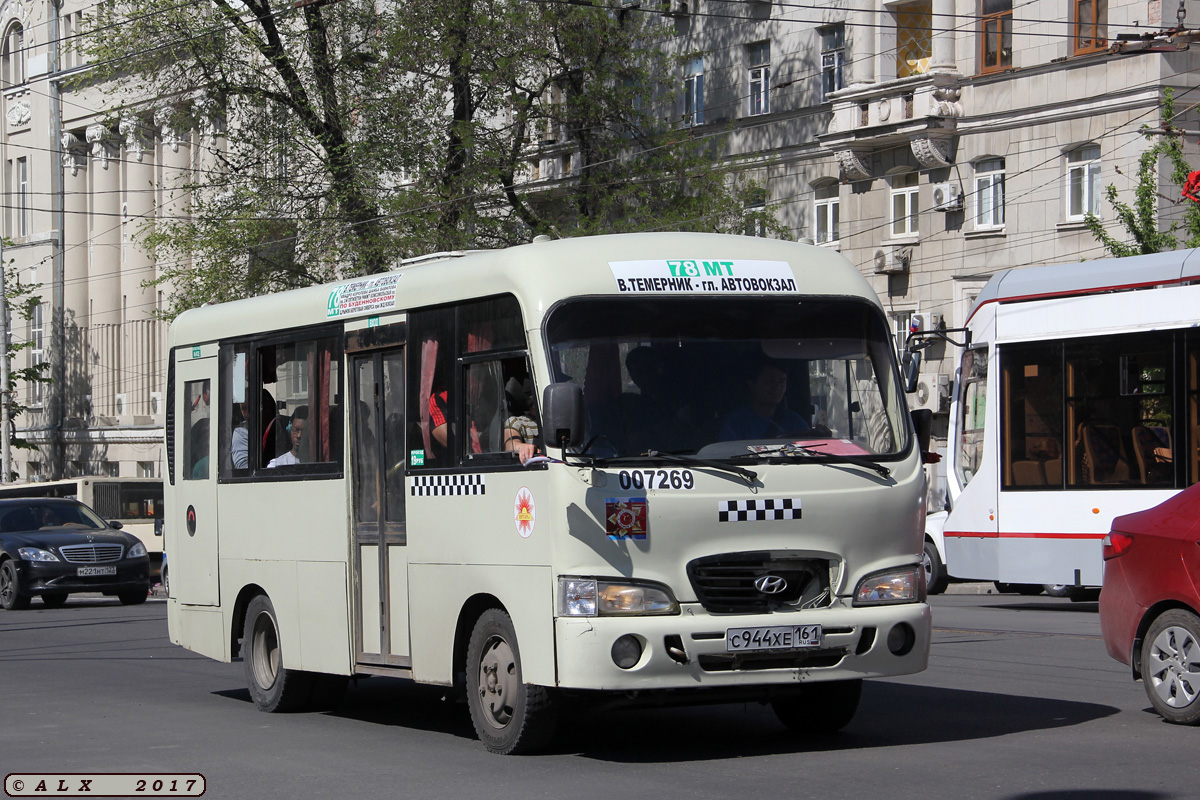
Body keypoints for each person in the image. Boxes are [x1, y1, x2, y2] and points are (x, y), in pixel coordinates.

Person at [719, 359, 810, 441]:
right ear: (752, 385)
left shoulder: (794, 421)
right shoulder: (735, 422)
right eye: (769, 381)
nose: (777, 387)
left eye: (782, 381)